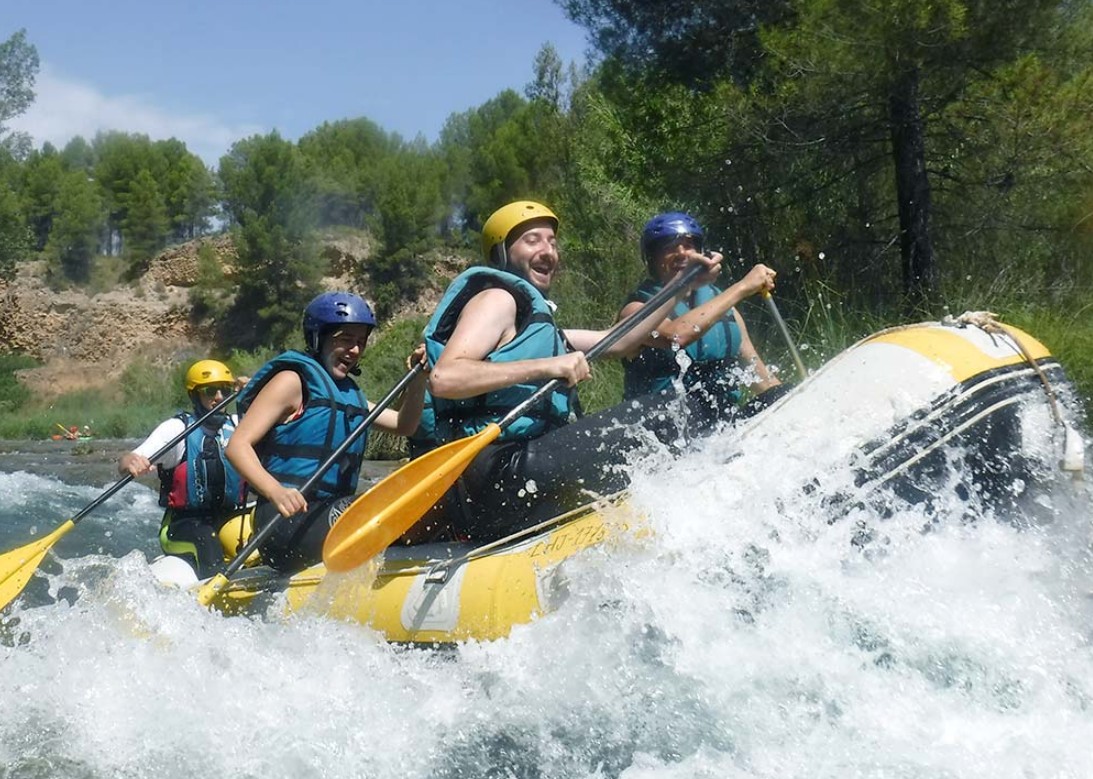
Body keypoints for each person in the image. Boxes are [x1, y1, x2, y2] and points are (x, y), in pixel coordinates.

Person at [423, 200, 720, 542]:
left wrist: (682, 285)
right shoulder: (497, 300)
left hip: (516, 473)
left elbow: (621, 341)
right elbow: (445, 377)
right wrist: (548, 366)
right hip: (497, 471)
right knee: (676, 409)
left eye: (551, 241)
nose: (548, 251)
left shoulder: (541, 326)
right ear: (501, 254)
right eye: (532, 240)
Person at [225, 291, 427, 574]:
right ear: (319, 338)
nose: (355, 350)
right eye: (346, 339)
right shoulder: (291, 383)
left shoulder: (351, 397)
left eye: (360, 342)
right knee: (384, 515)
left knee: (413, 508)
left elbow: (405, 425)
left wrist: (418, 380)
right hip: (285, 522)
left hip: (330, 511)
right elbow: (237, 446)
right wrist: (276, 491)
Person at [619, 211, 781, 429]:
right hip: (664, 431)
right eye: (669, 247)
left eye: (689, 245)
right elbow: (676, 336)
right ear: (652, 258)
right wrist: (743, 287)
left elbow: (762, 379)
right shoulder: (634, 310)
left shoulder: (724, 307)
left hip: (722, 425)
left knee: (780, 394)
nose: (681, 253)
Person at [118, 359, 247, 579]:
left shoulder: (239, 426)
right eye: (210, 391)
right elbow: (129, 459)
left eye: (225, 390)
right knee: (207, 538)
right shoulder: (177, 430)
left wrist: (256, 387)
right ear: (194, 395)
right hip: (183, 525)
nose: (219, 398)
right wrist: (129, 462)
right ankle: (217, 602)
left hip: (229, 517)